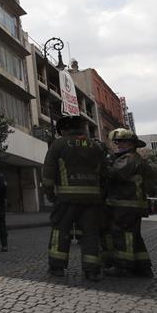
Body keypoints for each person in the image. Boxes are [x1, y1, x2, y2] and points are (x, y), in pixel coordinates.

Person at [42, 116, 106, 280]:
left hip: (66, 198)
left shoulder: (59, 144)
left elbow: (49, 172)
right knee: (90, 233)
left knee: (60, 230)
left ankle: (57, 267)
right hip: (92, 198)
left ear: (63, 130)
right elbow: (104, 173)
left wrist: (49, 194)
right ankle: (92, 270)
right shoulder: (95, 146)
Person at [105, 128, 153, 278]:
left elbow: (113, 174)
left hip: (125, 204)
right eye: (117, 142)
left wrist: (102, 162)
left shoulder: (128, 158)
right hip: (132, 204)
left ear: (132, 144)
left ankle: (123, 266)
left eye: (124, 142)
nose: (119, 144)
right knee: (134, 236)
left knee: (122, 234)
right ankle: (143, 266)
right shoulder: (134, 158)